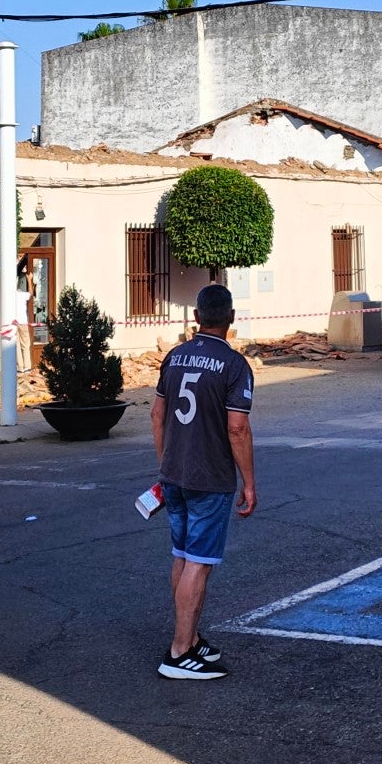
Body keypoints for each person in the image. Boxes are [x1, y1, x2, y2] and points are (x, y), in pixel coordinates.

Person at [150, 284, 256, 680]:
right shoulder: (234, 365)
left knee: (182, 554)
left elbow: (157, 417)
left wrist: (165, 465)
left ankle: (190, 638)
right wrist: (249, 482)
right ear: (230, 318)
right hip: (209, 478)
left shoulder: (174, 357)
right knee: (199, 561)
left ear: (196, 317)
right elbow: (238, 429)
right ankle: (178, 652)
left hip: (174, 474)